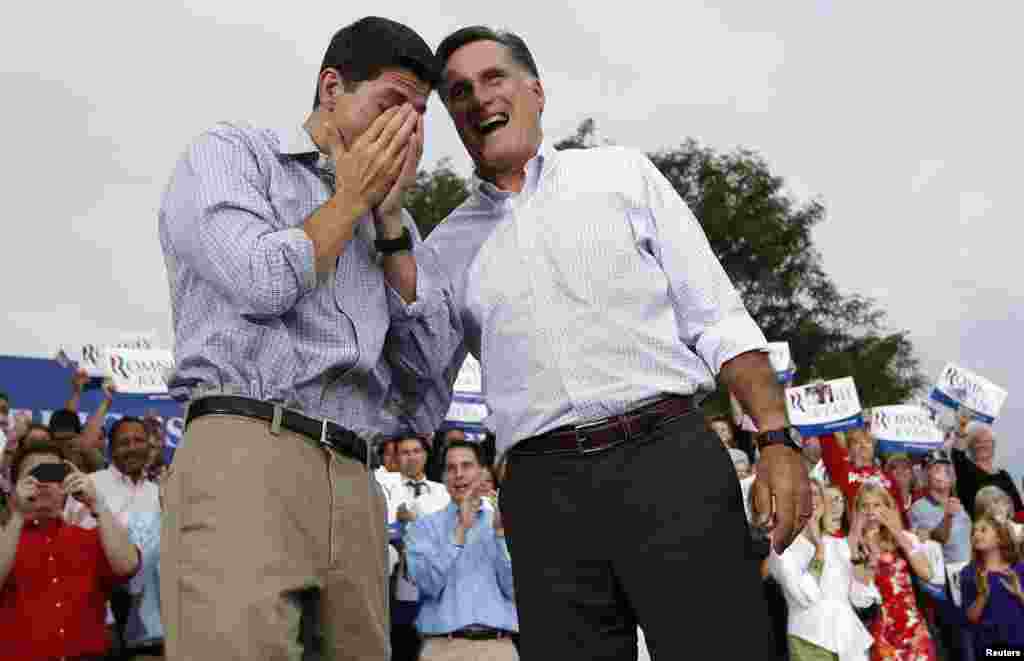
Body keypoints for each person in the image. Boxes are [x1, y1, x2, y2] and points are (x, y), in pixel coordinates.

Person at [387, 25, 810, 660]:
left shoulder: (620, 175)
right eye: (458, 93)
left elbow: (718, 318)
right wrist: (388, 223)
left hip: (667, 460)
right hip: (543, 493)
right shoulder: (443, 251)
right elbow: (416, 388)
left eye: (493, 78)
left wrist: (776, 440)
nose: (478, 99)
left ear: (535, 90)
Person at [156, 16, 438, 660]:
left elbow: (425, 381)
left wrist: (389, 225)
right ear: (332, 87)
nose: (406, 129)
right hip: (248, 447)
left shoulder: (394, 225)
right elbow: (257, 280)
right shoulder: (234, 155)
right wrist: (351, 197)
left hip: (358, 472)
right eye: (391, 105)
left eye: (420, 117)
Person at [0, 440, 140, 661]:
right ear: (15, 484)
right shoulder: (5, 541)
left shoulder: (91, 538)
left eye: (51, 474)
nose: (43, 483)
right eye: (34, 475)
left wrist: (97, 504)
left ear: (65, 484)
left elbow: (128, 566)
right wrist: (18, 514)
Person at [405, 440, 518, 661]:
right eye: (451, 468)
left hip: (498, 648)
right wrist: (460, 530)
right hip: (443, 648)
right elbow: (428, 585)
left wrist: (500, 535)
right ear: (444, 477)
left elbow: (515, 590)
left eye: (466, 466)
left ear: (482, 472)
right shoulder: (423, 527)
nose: (458, 474)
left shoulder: (503, 523)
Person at [768, 480, 878, 661]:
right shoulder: (782, 548)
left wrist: (864, 559)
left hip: (848, 640)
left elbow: (861, 600)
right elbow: (804, 595)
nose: (811, 499)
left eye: (816, 493)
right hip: (810, 641)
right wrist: (819, 552)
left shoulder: (838, 544)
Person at [853, 482, 936, 660]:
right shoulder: (853, 547)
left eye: (877, 505)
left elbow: (927, 573)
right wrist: (870, 553)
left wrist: (898, 533)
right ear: (857, 511)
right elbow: (859, 598)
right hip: (881, 632)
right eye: (864, 506)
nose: (870, 511)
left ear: (888, 507)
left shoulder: (905, 538)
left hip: (913, 628)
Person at [959, 515, 1024, 657]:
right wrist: (982, 595)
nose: (976, 534)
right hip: (990, 647)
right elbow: (970, 618)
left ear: (999, 538)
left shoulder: (1019, 569)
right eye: (973, 532)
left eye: (983, 530)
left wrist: (1019, 592)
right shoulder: (968, 573)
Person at [950, 423, 1024, 521]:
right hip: (981, 531)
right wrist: (962, 424)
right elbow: (957, 452)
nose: (982, 445)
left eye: (987, 441)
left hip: (1007, 530)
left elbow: (1018, 508)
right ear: (969, 446)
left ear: (993, 445)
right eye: (977, 441)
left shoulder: (1003, 475)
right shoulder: (965, 470)